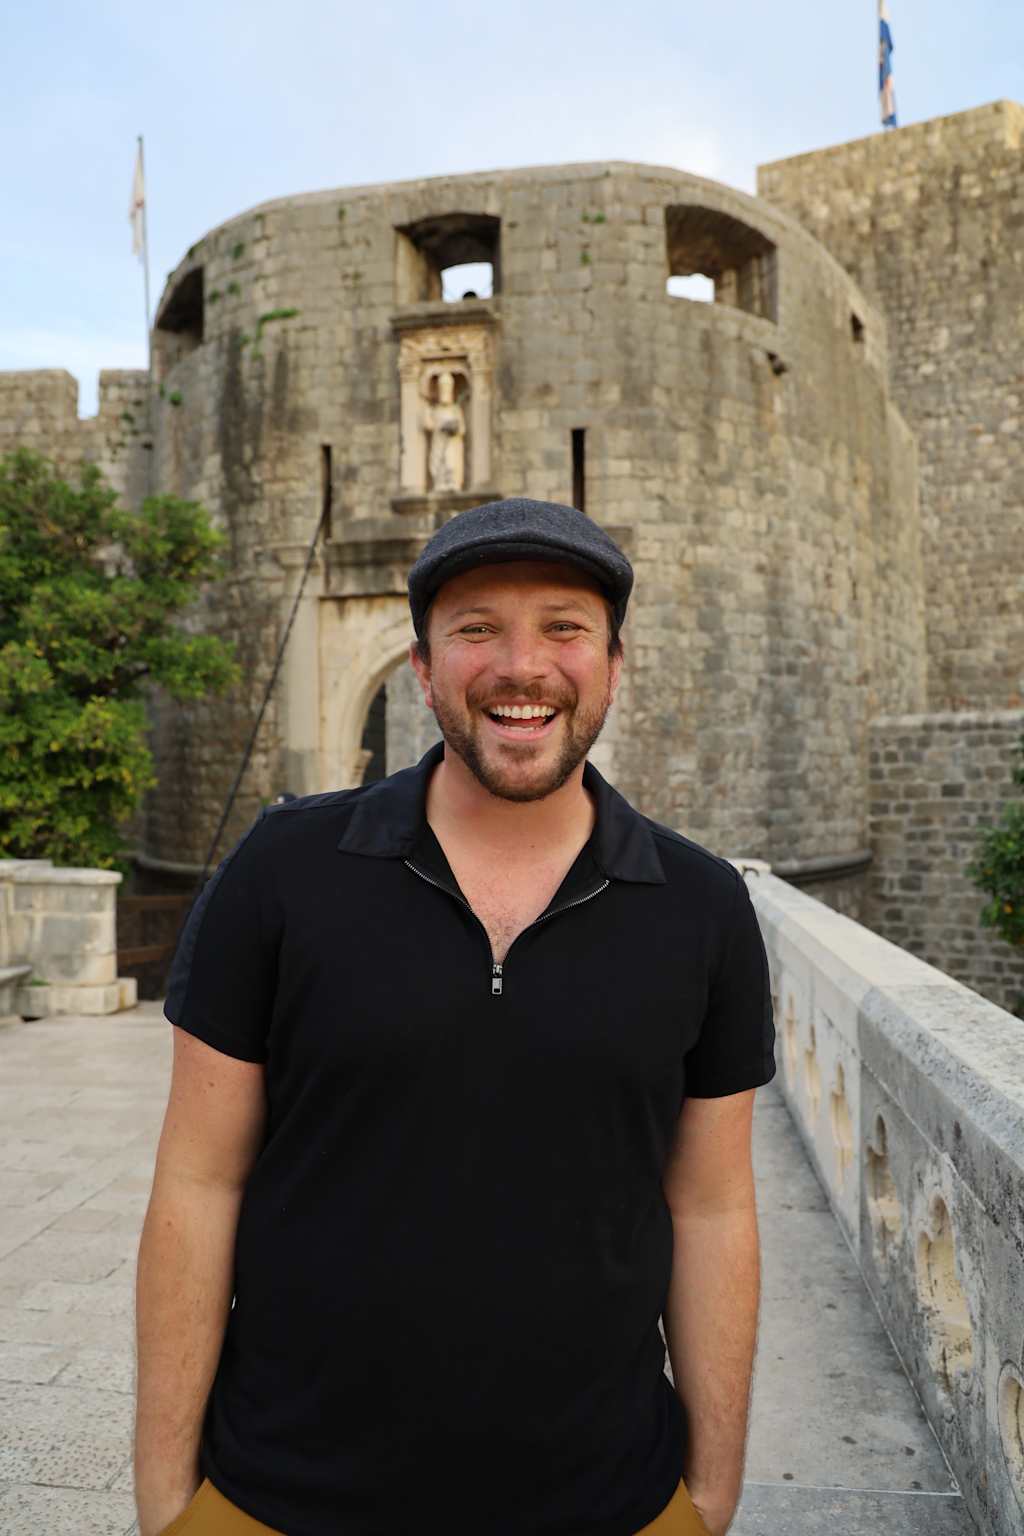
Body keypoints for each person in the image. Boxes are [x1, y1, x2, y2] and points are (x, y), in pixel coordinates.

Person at [134, 497, 776, 1536]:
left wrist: (712, 1492)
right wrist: (166, 1498)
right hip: (278, 1497)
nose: (523, 666)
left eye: (564, 627)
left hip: (609, 1500)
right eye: (478, 628)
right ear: (423, 668)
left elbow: (711, 1207)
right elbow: (200, 1181)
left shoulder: (701, 908)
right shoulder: (283, 872)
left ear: (614, 664)